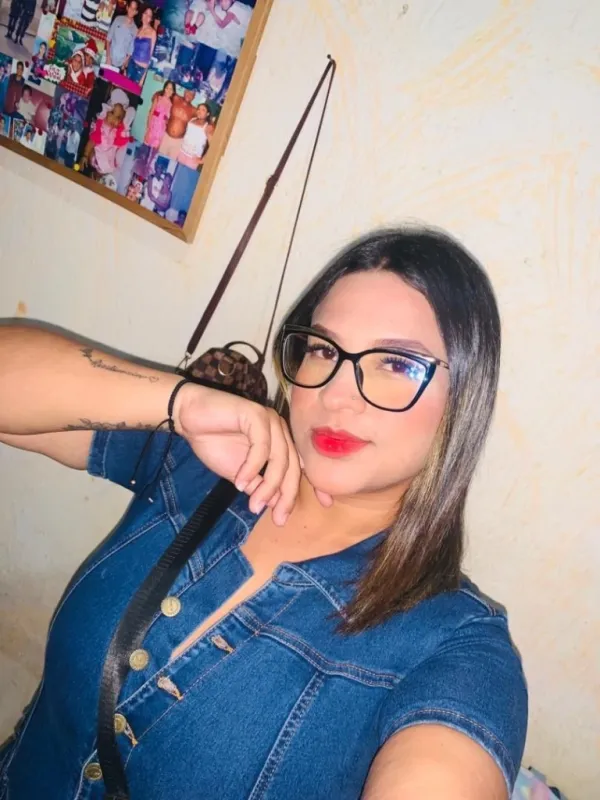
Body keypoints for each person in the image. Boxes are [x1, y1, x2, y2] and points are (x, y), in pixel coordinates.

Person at [0, 228, 527, 799]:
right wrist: (181, 403)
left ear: (465, 397)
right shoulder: (205, 464)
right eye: (323, 350)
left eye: (397, 363)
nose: (337, 395)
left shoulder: (457, 647)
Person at [79, 87, 134, 178]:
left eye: (118, 117)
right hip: (96, 156)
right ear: (106, 111)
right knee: (94, 159)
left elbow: (119, 148)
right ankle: (94, 173)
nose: (114, 119)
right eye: (112, 113)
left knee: (107, 171)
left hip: (108, 162)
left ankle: (97, 176)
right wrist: (85, 155)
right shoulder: (101, 127)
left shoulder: (117, 133)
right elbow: (92, 141)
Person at [158, 87, 195, 160]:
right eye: (188, 91)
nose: (189, 95)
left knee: (171, 161)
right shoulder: (176, 98)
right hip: (166, 136)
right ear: (185, 91)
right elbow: (165, 91)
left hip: (178, 142)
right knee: (159, 158)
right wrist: (156, 96)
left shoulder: (194, 110)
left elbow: (204, 118)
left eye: (192, 94)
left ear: (194, 97)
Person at [125, 4, 156, 85]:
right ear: (142, 14)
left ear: (151, 19)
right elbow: (132, 49)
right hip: (131, 64)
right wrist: (126, 63)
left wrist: (143, 77)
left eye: (149, 16)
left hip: (141, 69)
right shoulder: (138, 30)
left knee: (133, 91)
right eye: (145, 13)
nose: (147, 16)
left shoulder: (153, 32)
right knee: (125, 87)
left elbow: (151, 56)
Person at [104, 0, 139, 71]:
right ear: (127, 7)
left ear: (136, 12)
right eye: (130, 7)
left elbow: (130, 50)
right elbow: (108, 39)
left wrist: (124, 63)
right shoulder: (118, 19)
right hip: (109, 59)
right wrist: (108, 57)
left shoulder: (135, 29)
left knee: (114, 78)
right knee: (103, 77)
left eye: (134, 9)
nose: (131, 10)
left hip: (121, 64)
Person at [177, 101, 211, 169]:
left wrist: (203, 160)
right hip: (182, 153)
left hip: (192, 159)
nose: (200, 111)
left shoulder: (207, 127)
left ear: (207, 114)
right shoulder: (192, 120)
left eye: (203, 110)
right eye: (199, 109)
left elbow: (213, 145)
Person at [143, 79, 174, 148]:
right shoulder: (158, 98)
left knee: (154, 150)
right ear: (164, 88)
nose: (169, 91)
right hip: (152, 126)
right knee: (145, 147)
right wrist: (148, 129)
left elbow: (167, 118)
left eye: (171, 89)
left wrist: (166, 121)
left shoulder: (171, 104)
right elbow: (151, 113)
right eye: (167, 88)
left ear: (173, 91)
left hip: (161, 130)